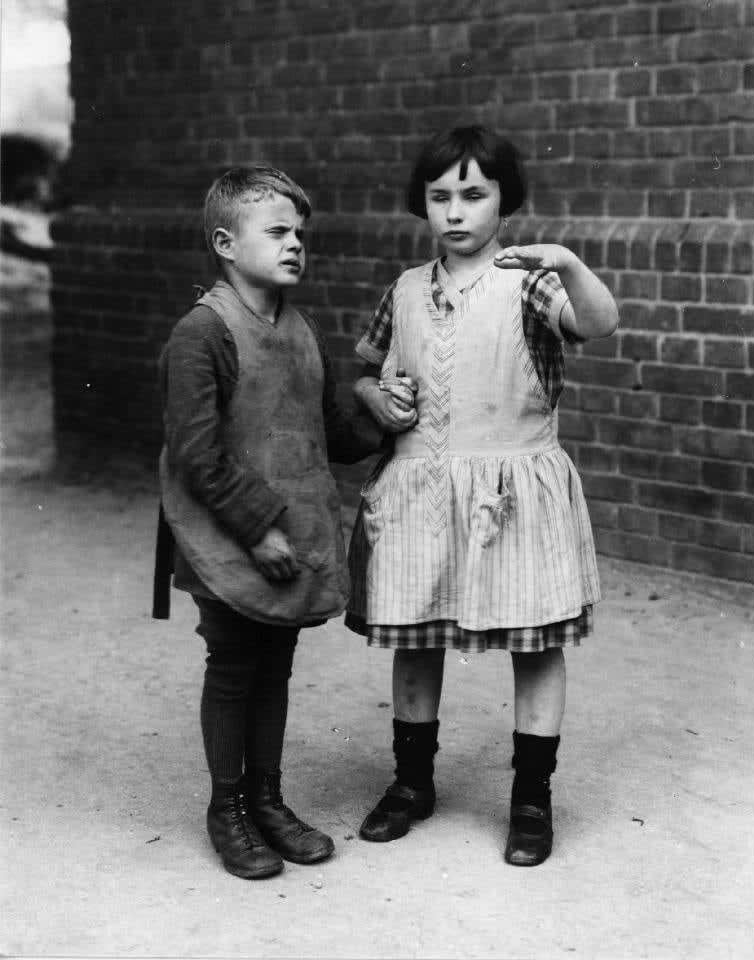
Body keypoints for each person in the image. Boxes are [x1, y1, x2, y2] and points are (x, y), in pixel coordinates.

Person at [346, 125, 619, 866]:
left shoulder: (529, 279)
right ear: (422, 205)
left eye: (473, 194)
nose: (456, 212)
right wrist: (377, 396)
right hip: (419, 489)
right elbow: (366, 370)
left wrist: (566, 262)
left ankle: (530, 798)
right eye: (440, 197)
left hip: (511, 489)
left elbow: (597, 323)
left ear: (504, 200)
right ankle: (410, 784)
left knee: (533, 643)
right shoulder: (402, 289)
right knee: (414, 635)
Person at [154, 166, 381, 879]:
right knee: (232, 664)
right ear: (225, 242)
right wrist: (256, 528)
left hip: (290, 532)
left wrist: (384, 412)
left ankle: (268, 801)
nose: (295, 245)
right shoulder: (203, 333)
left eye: (299, 234)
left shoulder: (299, 329)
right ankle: (228, 810)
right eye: (277, 231)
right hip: (224, 534)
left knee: (275, 663)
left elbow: (332, 437)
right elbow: (196, 454)